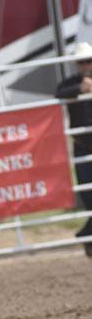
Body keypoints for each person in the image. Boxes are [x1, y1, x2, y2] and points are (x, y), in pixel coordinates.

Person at [55, 41, 92, 257]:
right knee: (87, 195)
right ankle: (87, 236)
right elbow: (58, 92)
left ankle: (85, 235)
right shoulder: (71, 83)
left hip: (84, 147)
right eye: (81, 62)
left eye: (88, 61)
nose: (85, 65)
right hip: (82, 147)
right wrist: (79, 89)